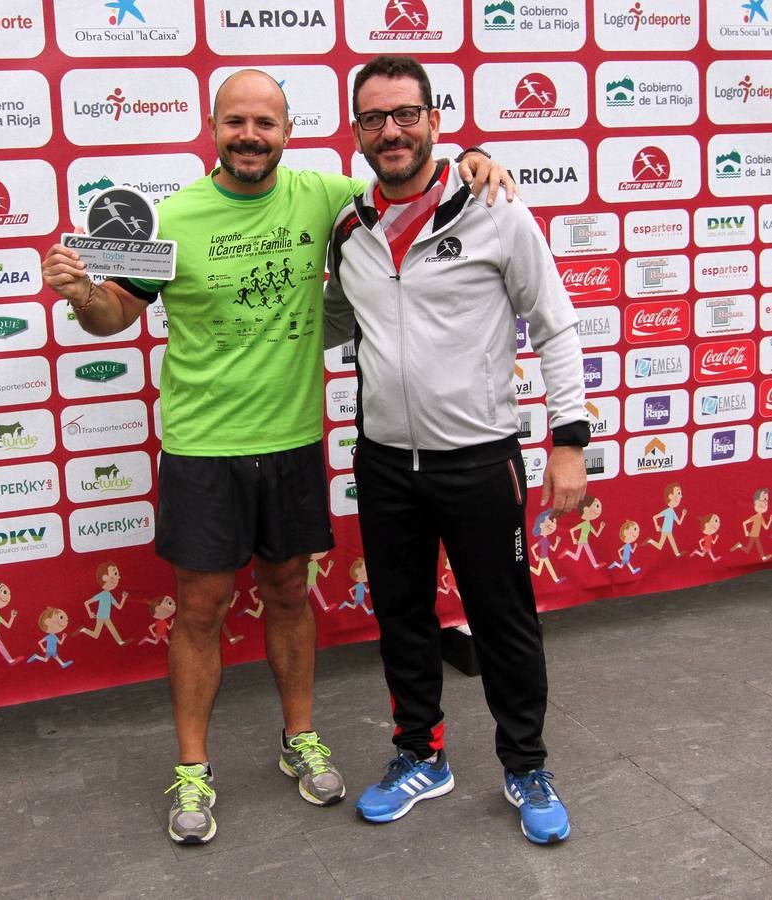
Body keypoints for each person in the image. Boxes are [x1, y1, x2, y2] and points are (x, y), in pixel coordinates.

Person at [41, 68, 510, 845]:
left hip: (290, 442)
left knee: (289, 593)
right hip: (202, 447)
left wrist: (475, 155)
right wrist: (80, 293)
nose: (250, 136)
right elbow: (112, 315)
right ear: (214, 129)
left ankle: (299, 738)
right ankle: (193, 767)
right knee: (200, 609)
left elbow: (406, 170)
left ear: (288, 131)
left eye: (266, 123)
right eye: (236, 123)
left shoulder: (322, 197)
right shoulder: (174, 218)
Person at [324, 55, 589, 845]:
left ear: (434, 120)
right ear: (357, 132)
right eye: (373, 118)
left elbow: (555, 324)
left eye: (405, 114)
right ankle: (419, 754)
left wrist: (568, 440)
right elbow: (341, 322)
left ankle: (525, 762)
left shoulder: (494, 207)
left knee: (502, 621)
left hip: (478, 458)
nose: (390, 131)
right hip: (384, 461)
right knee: (402, 618)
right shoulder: (349, 225)